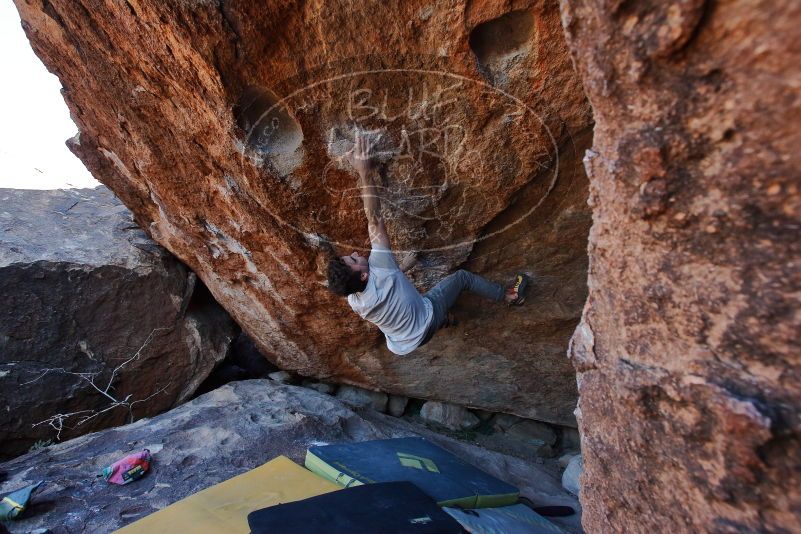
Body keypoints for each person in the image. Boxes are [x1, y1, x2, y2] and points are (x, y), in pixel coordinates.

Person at [327, 132, 528, 356]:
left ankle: (447, 319)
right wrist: (364, 173)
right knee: (462, 278)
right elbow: (373, 217)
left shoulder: (354, 300)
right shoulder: (382, 266)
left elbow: (386, 285)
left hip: (404, 345)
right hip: (426, 319)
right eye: (354, 259)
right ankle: (509, 295)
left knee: (419, 306)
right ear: (363, 276)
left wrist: (402, 267)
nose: (355, 253)